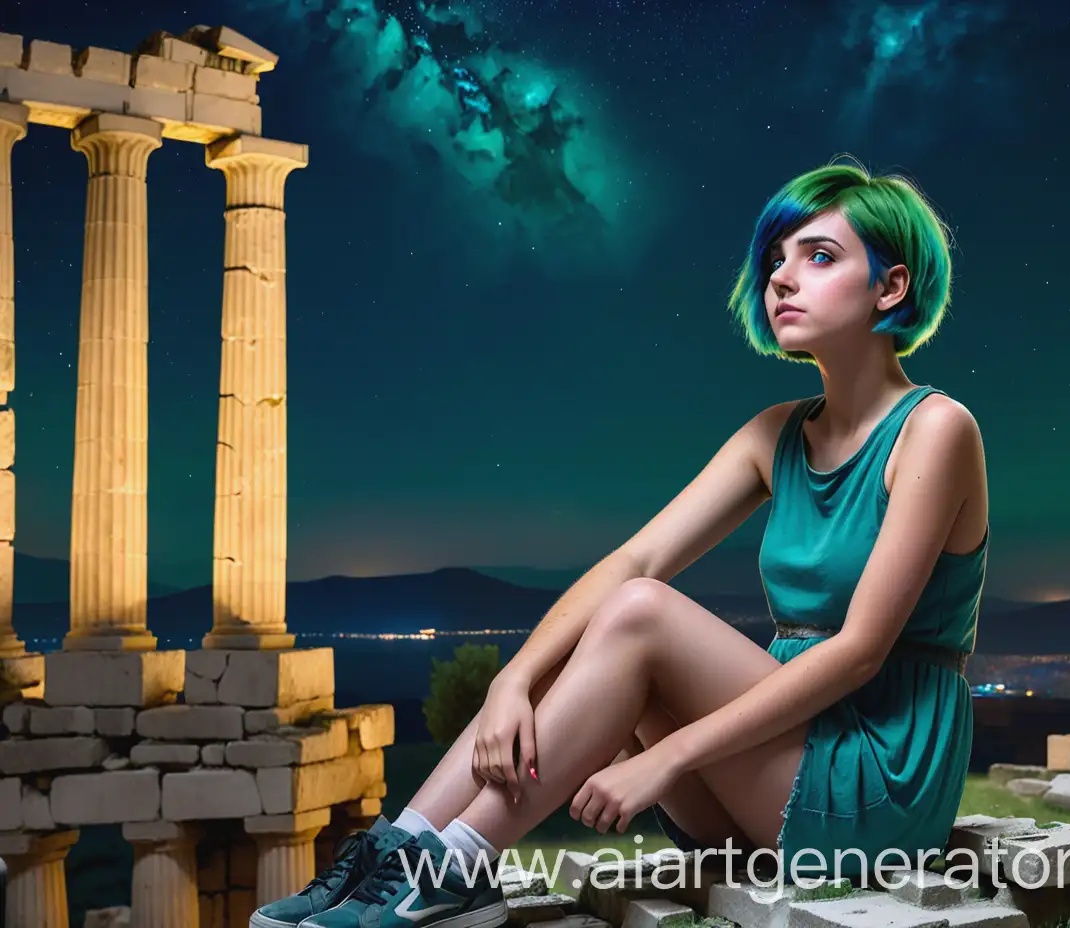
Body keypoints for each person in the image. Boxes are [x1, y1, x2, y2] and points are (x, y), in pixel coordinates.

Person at [250, 157, 988, 928]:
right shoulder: (776, 432)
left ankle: (461, 866)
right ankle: (403, 850)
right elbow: (634, 558)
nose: (782, 279)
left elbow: (862, 650)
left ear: (891, 287)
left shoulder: (937, 430)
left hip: (878, 778)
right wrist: (514, 681)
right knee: (614, 601)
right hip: (766, 766)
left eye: (820, 257)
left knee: (640, 612)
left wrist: (666, 758)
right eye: (776, 260)